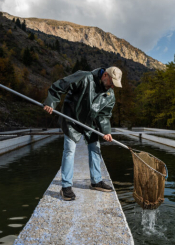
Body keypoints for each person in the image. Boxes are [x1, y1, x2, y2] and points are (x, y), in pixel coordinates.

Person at [43, 67, 123, 201]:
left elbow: (104, 115)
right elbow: (61, 85)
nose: (112, 86)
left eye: (115, 84)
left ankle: (96, 181)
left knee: (95, 149)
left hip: (89, 122)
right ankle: (66, 186)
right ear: (105, 75)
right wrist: (51, 101)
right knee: (69, 150)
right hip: (72, 118)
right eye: (111, 82)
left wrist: (106, 131)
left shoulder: (110, 95)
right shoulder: (84, 77)